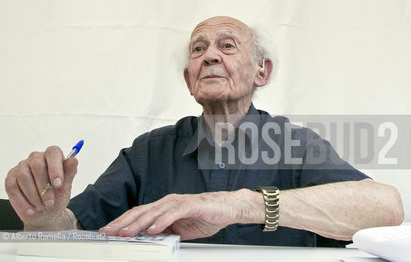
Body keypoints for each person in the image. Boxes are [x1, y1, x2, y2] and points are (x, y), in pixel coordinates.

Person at [5, 16, 404, 246]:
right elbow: (73, 232)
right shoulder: (149, 152)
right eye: (198, 49)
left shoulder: (297, 145)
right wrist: (46, 218)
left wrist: (238, 205)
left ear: (261, 72)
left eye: (227, 46)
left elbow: (386, 210)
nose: (210, 55)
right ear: (188, 77)